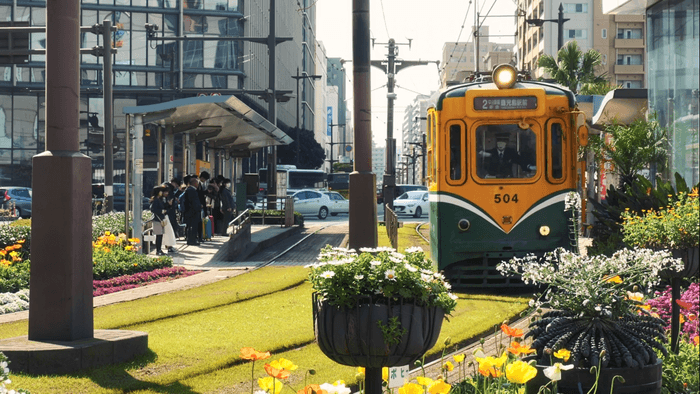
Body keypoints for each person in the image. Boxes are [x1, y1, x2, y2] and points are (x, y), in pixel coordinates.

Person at [149, 185, 168, 255]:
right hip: (157, 220)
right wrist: (162, 211)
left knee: (160, 235)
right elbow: (153, 209)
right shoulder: (155, 200)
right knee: (158, 235)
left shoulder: (159, 199)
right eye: (161, 191)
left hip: (160, 219)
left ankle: (159, 249)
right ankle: (158, 250)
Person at [183, 177, 202, 246]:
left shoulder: (190, 190)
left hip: (191, 212)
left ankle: (192, 239)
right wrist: (198, 208)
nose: (198, 184)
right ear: (194, 183)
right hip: (192, 212)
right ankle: (192, 240)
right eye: (197, 182)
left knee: (191, 226)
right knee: (192, 227)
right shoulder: (191, 190)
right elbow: (193, 202)